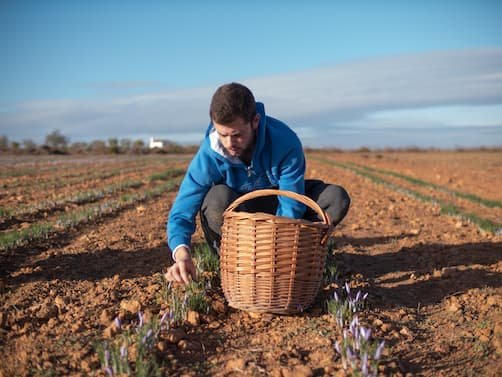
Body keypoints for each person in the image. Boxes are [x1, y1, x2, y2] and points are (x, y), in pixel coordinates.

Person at [165, 83, 350, 284]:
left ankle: (301, 258)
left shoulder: (284, 141)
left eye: (236, 135)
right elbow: (183, 209)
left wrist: (275, 253)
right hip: (239, 213)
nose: (228, 143)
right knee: (217, 198)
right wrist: (182, 255)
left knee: (335, 198)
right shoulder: (210, 153)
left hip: (277, 203)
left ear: (255, 121)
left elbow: (291, 204)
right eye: (222, 134)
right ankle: (234, 261)